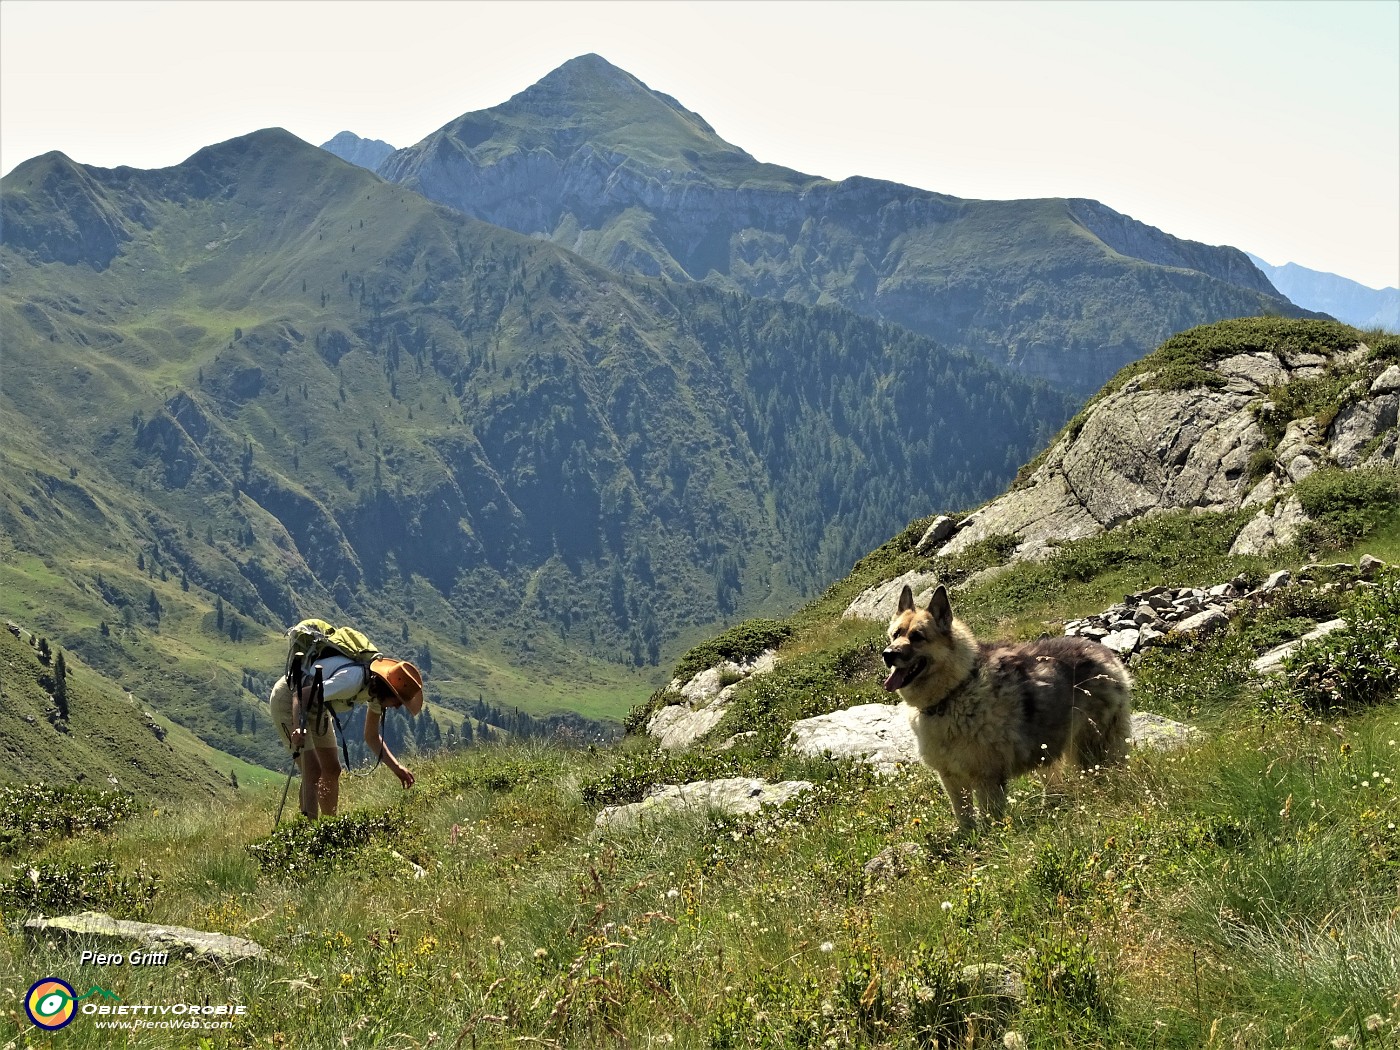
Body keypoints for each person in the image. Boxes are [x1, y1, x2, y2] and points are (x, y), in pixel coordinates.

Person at [269, 652, 424, 819]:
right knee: (312, 771)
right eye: (399, 701)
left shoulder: (376, 694)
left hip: (317, 706)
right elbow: (300, 696)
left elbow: (371, 736)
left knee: (332, 769)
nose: (398, 707)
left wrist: (396, 768)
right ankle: (310, 835)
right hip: (290, 699)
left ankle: (329, 827)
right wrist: (298, 727)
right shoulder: (351, 681)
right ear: (388, 690)